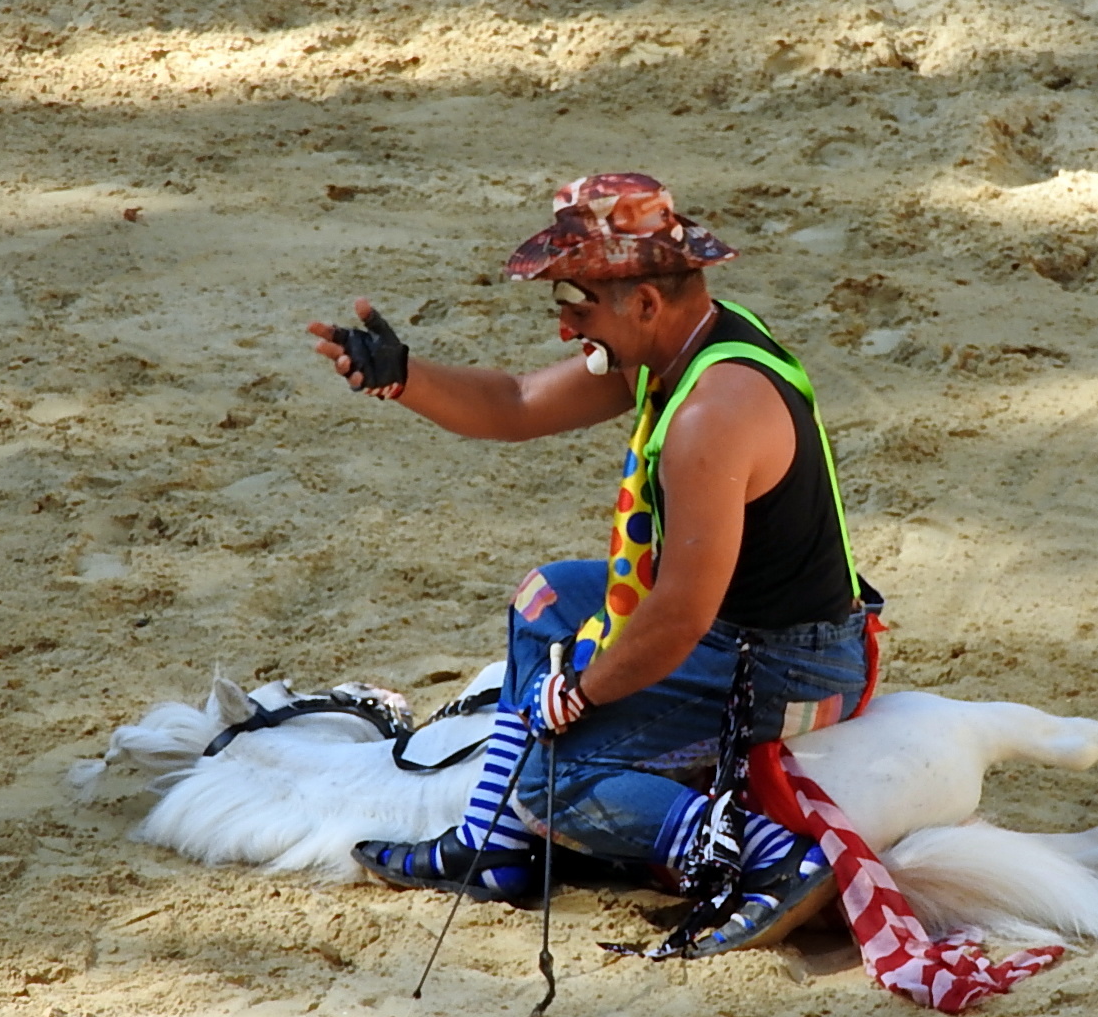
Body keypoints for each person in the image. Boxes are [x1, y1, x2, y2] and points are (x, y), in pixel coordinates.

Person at [306, 172, 872, 955]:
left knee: (544, 772)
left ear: (643, 302)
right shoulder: (686, 340)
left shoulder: (711, 416)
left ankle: (763, 859)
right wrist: (404, 377)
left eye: (578, 306)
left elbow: (678, 617)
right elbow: (516, 401)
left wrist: (572, 694)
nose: (568, 331)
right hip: (738, 630)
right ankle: (498, 847)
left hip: (788, 666)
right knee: (547, 596)